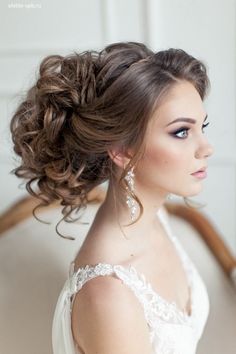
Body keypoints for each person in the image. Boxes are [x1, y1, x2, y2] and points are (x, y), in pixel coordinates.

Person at [10, 41, 214, 354]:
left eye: (203, 126)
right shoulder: (108, 296)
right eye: (182, 132)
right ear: (121, 149)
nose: (206, 148)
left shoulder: (154, 215)